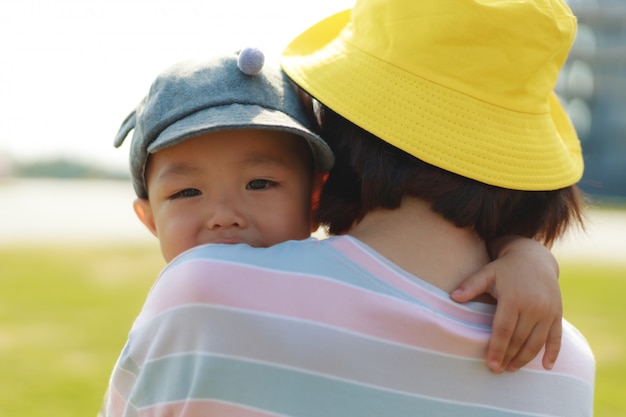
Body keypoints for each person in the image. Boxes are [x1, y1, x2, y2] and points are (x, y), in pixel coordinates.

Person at [102, 11, 593, 413]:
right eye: (188, 191)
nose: (225, 215)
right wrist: (522, 247)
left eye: (259, 182)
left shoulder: (204, 295)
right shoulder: (564, 363)